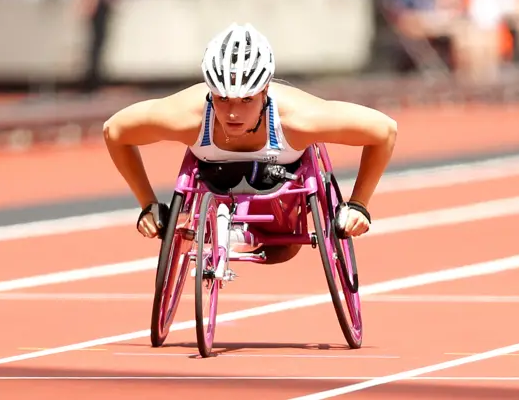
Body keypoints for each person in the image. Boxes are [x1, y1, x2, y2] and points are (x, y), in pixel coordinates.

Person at [103, 23, 398, 264]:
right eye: (222, 99)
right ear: (210, 92)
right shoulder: (188, 116)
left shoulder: (298, 119)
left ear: (265, 90)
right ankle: (230, 232)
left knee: (281, 252)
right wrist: (148, 205)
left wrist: (359, 205)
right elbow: (114, 130)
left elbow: (384, 130)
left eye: (246, 100)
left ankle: (244, 235)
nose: (233, 112)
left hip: (280, 210)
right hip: (214, 188)